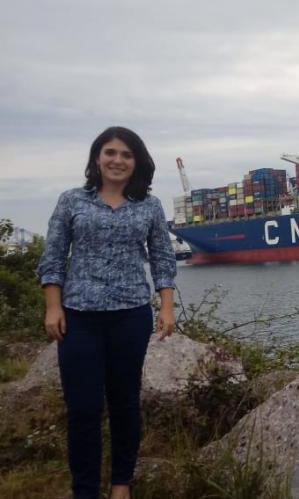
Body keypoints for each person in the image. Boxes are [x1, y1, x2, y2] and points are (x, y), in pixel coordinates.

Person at [37, 126, 177, 499]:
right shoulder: (71, 201)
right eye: (110, 152)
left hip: (130, 316)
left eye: (126, 154)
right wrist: (53, 307)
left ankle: (121, 483)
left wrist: (166, 307)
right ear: (97, 158)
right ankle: (84, 490)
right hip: (79, 316)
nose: (118, 160)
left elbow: (163, 258)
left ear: (137, 162)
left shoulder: (150, 206)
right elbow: (53, 257)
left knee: (125, 402)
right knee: (82, 408)